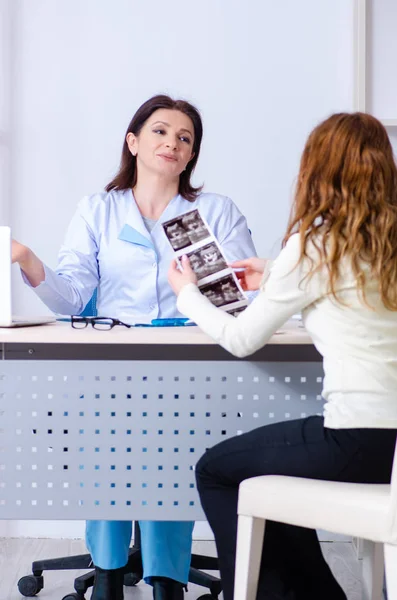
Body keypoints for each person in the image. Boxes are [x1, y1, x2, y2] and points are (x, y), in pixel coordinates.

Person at [11, 94, 256, 600]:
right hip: (110, 368)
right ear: (134, 141)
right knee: (106, 451)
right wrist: (28, 260)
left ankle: (167, 579)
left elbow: (236, 299)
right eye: (161, 131)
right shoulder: (98, 210)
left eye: (184, 138)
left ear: (191, 156)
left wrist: (206, 284)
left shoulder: (212, 211)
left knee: (176, 457)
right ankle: (107, 573)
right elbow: (73, 299)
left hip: (190, 368)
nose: (172, 142)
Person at [168, 112, 397, 600]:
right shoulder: (385, 244)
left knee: (215, 468)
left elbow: (240, 339)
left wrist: (188, 294)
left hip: (355, 441)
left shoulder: (314, 245)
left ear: (317, 170)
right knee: (271, 470)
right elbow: (357, 285)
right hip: (391, 453)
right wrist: (273, 271)